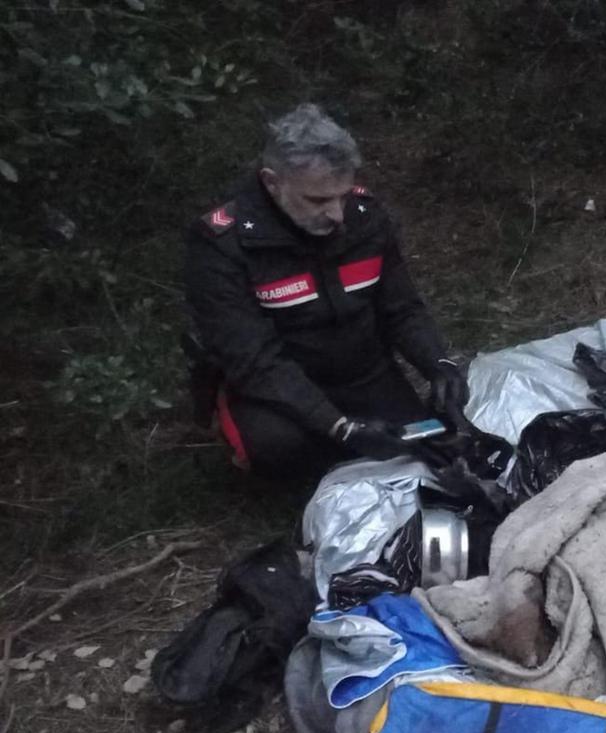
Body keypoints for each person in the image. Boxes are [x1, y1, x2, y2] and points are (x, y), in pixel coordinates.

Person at [182, 103, 467, 479]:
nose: (336, 214)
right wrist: (340, 427)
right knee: (281, 446)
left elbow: (403, 309)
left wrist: (439, 365)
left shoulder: (365, 218)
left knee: (430, 440)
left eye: (343, 195)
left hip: (364, 373)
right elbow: (254, 362)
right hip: (274, 392)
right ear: (272, 182)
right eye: (318, 200)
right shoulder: (222, 244)